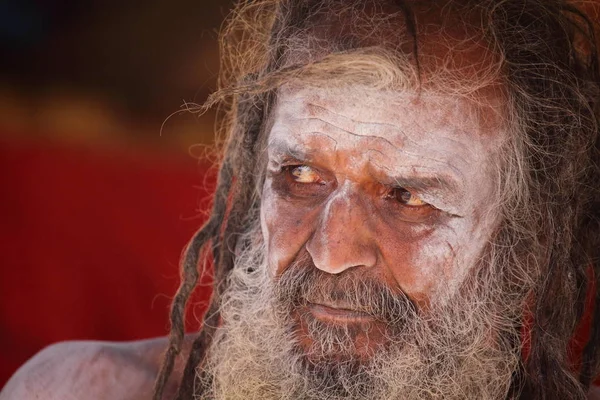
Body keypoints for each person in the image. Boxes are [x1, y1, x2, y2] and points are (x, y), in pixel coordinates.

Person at [2, 0, 600, 399]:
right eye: (301, 176)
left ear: (523, 243)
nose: (331, 251)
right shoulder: (84, 389)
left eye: (408, 197)